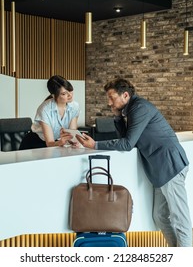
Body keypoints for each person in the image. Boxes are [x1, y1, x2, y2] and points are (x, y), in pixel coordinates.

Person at [76, 78, 192, 247]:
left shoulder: (140, 108)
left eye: (111, 97)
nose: (109, 102)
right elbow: (128, 139)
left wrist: (95, 145)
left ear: (125, 95)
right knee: (159, 216)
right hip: (160, 170)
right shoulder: (131, 110)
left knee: (180, 219)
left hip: (170, 166)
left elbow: (127, 144)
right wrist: (117, 116)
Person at [19, 75, 79, 149]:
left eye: (70, 90)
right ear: (53, 96)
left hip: (55, 143)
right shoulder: (45, 109)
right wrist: (61, 142)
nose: (70, 95)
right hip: (35, 144)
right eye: (64, 94)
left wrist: (74, 141)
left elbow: (71, 134)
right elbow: (49, 143)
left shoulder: (75, 106)